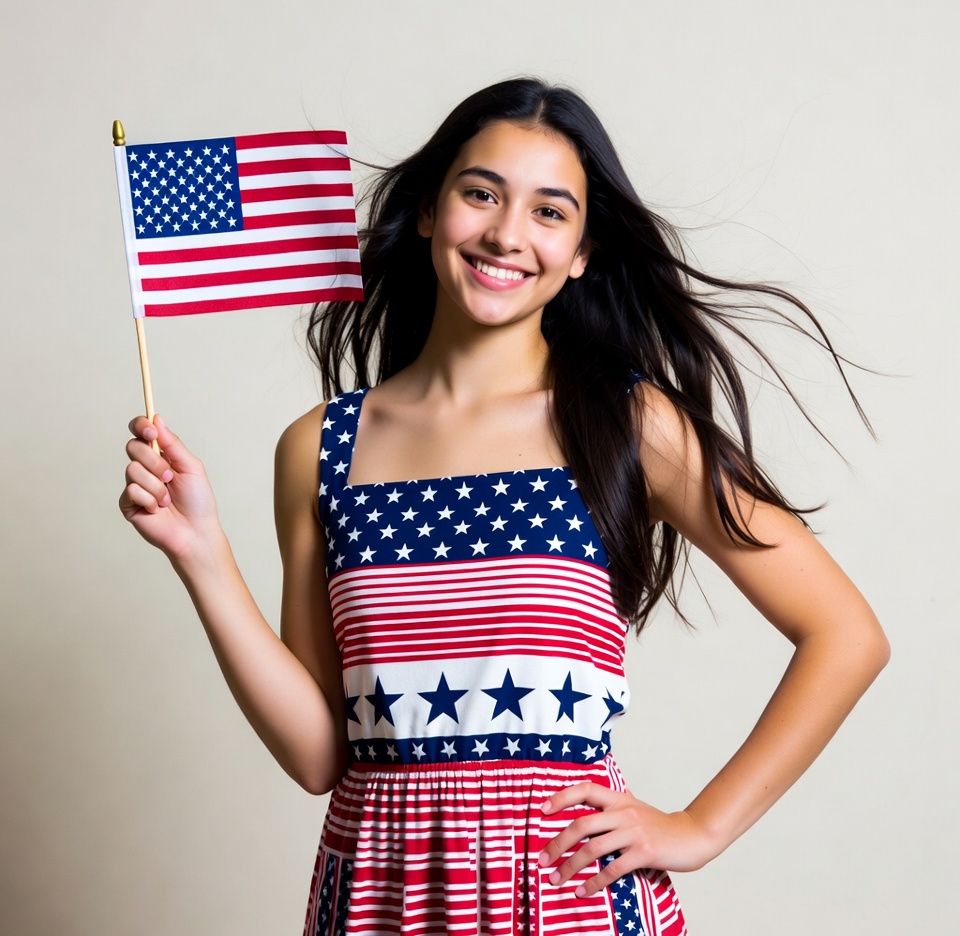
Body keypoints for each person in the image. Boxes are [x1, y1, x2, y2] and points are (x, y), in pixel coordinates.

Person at [120, 78, 890, 936]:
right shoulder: (319, 447)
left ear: (584, 251)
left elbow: (847, 635)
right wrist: (203, 556)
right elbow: (318, 754)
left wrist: (700, 829)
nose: (506, 234)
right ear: (427, 212)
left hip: (565, 901)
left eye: (549, 212)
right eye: (481, 193)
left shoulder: (628, 424)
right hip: (379, 900)